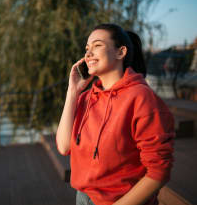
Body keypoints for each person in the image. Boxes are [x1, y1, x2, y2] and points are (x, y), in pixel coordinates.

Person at [56, 23, 175, 205]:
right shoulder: (86, 98)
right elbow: (64, 147)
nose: (88, 54)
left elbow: (159, 172)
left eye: (97, 45)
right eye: (87, 48)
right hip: (82, 198)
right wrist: (72, 92)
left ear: (120, 52)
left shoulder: (141, 98)